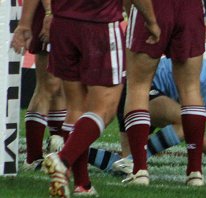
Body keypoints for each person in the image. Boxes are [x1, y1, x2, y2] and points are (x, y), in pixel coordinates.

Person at [89, 44, 206, 179]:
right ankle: (133, 159)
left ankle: (72, 151)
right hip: (138, 89)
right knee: (187, 124)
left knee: (123, 169)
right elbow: (195, 129)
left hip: (153, 95)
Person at [39, 0, 159, 197]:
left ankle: (82, 184)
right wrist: (151, 21)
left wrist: (48, 12)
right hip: (99, 24)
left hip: (62, 24)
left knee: (76, 108)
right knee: (104, 109)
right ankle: (63, 160)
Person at [124, 0, 206, 186]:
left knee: (138, 87)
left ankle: (139, 171)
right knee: (191, 88)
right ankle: (195, 172)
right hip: (190, 7)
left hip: (153, 6)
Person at [11, 0, 66, 170]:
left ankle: (58, 155)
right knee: (48, 84)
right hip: (51, 14)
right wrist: (49, 11)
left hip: (71, 15)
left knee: (61, 88)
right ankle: (33, 158)